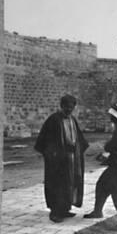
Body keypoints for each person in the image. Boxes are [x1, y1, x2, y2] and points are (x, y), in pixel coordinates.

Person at [34, 94, 89, 223]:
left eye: (71, 107)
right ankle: (55, 212)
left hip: (71, 158)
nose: (69, 110)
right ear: (61, 106)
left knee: (69, 184)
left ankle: (65, 209)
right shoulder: (53, 120)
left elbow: (79, 139)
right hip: (58, 161)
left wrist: (79, 149)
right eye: (67, 107)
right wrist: (51, 154)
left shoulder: (72, 120)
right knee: (57, 185)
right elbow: (44, 140)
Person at [84, 104, 117, 231]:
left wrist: (106, 148)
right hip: (116, 165)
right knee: (101, 186)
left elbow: (110, 147)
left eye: (112, 115)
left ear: (116, 117)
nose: (110, 117)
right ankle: (97, 212)